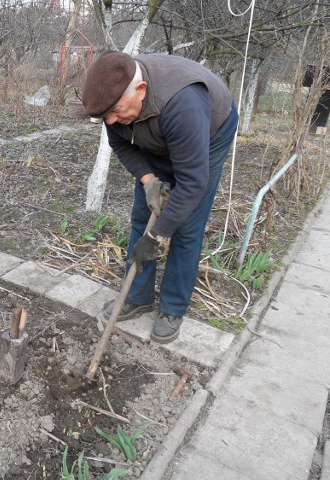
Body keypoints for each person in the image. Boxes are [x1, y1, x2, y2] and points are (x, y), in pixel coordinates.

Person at [82, 50, 238, 343]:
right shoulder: (112, 101)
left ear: (140, 90)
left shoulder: (184, 104)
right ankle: (138, 297)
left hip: (209, 130)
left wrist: (156, 238)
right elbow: (122, 145)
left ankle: (173, 308)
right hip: (157, 134)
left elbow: (192, 184)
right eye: (105, 116)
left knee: (187, 225)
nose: (111, 121)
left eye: (115, 112)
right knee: (143, 214)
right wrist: (150, 181)